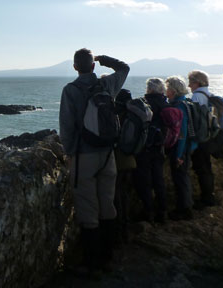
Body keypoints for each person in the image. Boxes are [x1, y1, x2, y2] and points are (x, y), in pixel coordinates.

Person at [59, 48, 129, 277]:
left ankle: (92, 264)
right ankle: (108, 259)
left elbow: (67, 127)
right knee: (107, 204)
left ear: (75, 67)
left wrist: (69, 154)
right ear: (93, 66)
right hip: (107, 154)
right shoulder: (107, 86)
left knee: (88, 209)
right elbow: (124, 68)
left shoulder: (71, 90)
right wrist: (105, 59)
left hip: (84, 155)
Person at [133, 78, 168, 224]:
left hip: (144, 148)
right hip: (159, 147)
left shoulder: (144, 104)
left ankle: (148, 212)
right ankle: (162, 212)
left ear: (149, 89)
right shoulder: (166, 105)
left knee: (144, 182)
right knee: (159, 180)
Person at [165, 76, 196, 221]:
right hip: (188, 147)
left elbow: (181, 133)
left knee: (180, 179)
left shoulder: (179, 106)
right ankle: (186, 207)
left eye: (168, 88)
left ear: (173, 90)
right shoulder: (186, 103)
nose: (166, 91)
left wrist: (178, 155)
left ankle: (184, 210)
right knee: (183, 178)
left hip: (181, 149)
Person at [187, 70, 215, 208]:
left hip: (200, 138)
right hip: (209, 136)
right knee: (207, 168)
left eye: (191, 82)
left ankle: (206, 198)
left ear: (197, 82)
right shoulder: (209, 94)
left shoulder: (197, 96)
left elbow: (194, 120)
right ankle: (210, 195)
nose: (189, 85)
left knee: (201, 168)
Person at [112, 89, 136, 243]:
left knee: (116, 197)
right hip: (131, 160)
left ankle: (119, 233)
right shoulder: (133, 114)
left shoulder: (118, 115)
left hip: (118, 162)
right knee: (124, 195)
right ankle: (125, 229)